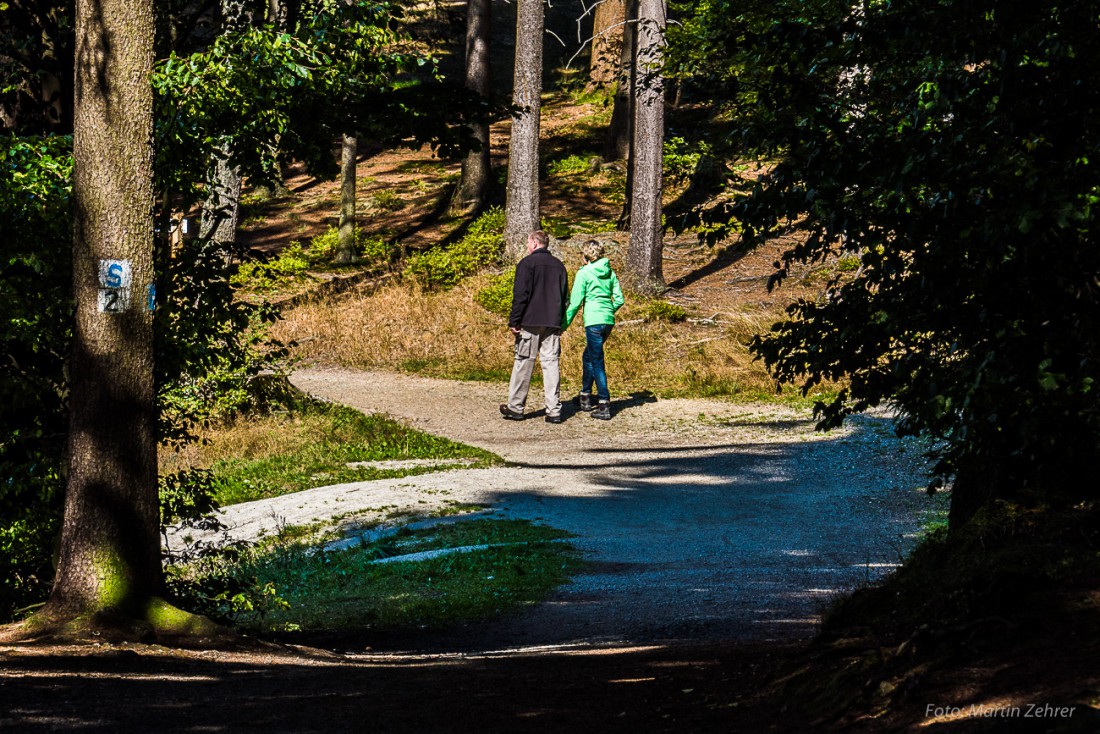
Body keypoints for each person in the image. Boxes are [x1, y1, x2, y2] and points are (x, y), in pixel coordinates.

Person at [500, 230, 569, 423]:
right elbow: (565, 297)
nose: (527, 247)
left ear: (535, 243)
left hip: (530, 321)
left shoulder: (526, 264)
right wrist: (560, 320)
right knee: (551, 364)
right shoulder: (559, 266)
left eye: (528, 243)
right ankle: (554, 410)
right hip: (552, 322)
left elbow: (520, 296)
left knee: (524, 362)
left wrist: (515, 321)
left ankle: (516, 407)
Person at [562, 239, 624, 420]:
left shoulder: (584, 273)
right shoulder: (610, 273)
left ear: (585, 255)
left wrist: (563, 325)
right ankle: (585, 395)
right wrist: (608, 311)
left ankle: (604, 402)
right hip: (607, 321)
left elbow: (574, 303)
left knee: (596, 361)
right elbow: (619, 299)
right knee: (588, 356)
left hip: (593, 321)